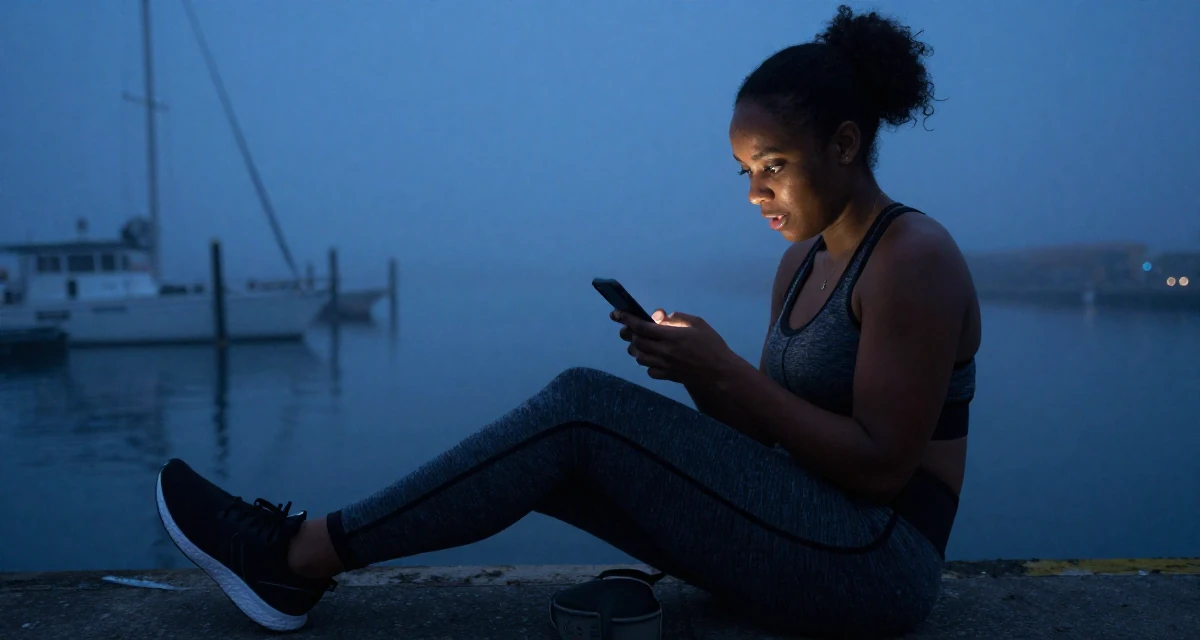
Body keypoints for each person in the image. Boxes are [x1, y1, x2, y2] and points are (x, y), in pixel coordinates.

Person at [154, 5, 979, 637]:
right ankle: (300, 557)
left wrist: (726, 371)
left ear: (844, 145)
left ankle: (298, 555)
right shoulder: (799, 263)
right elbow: (769, 449)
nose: (756, 193)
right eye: (743, 172)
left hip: (880, 568)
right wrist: (700, 375)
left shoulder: (912, 258)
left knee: (584, 404)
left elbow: (877, 468)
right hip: (811, 530)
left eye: (774, 168)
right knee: (566, 454)